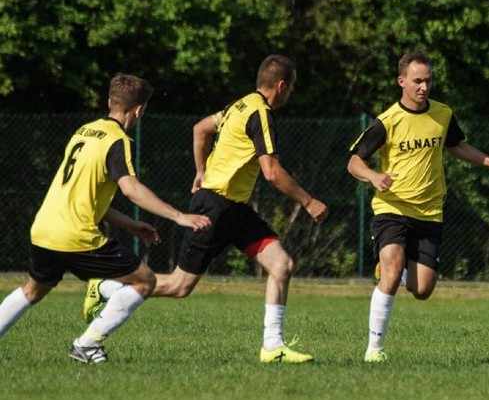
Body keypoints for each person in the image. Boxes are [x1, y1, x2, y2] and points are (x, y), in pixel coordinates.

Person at [84, 54, 328, 364]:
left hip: (233, 209)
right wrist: (308, 201)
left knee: (281, 265)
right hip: (215, 207)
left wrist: (200, 170)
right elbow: (271, 172)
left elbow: (201, 129)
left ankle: (272, 347)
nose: (290, 94)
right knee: (179, 286)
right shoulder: (261, 113)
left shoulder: (239, 105)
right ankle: (108, 286)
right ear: (281, 86)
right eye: (291, 88)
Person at [0, 73, 211, 363]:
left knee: (32, 290)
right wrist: (179, 216)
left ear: (110, 101)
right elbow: (131, 189)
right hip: (75, 235)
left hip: (44, 228)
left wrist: (131, 224)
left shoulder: (84, 131)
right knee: (144, 281)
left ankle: (100, 292)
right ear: (139, 109)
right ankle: (88, 343)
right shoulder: (117, 140)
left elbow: (84, 197)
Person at [347, 50, 489, 362]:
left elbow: (457, 146)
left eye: (427, 80)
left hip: (429, 213)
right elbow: (353, 162)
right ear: (401, 81)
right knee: (392, 268)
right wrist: (373, 176)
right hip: (393, 208)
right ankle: (374, 350)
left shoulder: (442, 114)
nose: (423, 87)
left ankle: (391, 271)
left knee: (422, 289)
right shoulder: (387, 121)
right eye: (417, 81)